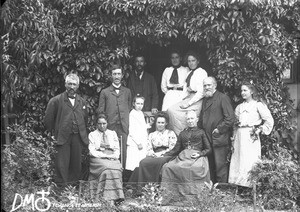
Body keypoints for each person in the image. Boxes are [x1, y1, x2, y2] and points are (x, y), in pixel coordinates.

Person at [44, 73, 89, 186]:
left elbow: (85, 119)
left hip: (77, 137)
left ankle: (73, 188)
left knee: (76, 163)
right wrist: (53, 134)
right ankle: (61, 189)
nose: (72, 87)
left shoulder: (82, 101)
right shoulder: (56, 100)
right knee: (62, 164)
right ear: (65, 84)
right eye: (69, 84)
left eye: (74, 84)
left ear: (78, 86)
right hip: (62, 137)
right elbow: (48, 120)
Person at [228, 82, 274, 188]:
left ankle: (251, 187)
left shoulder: (258, 105)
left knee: (250, 160)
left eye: (245, 90)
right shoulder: (239, 107)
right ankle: (239, 186)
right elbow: (235, 125)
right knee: (239, 160)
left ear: (251, 91)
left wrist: (260, 130)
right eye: (241, 90)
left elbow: (269, 120)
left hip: (251, 136)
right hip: (239, 136)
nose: (242, 93)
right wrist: (233, 138)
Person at [161, 110, 211, 204]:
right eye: (188, 119)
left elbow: (208, 149)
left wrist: (199, 154)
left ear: (196, 119)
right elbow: (176, 149)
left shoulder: (201, 132)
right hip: (183, 157)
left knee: (195, 168)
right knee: (168, 167)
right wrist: (164, 154)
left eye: (192, 118)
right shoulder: (182, 133)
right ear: (186, 121)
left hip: (197, 157)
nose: (190, 121)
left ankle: (194, 199)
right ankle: (172, 197)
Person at [198, 77, 235, 183]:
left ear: (215, 85)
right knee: (210, 165)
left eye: (209, 85)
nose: (206, 87)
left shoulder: (222, 98)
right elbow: (202, 117)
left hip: (218, 138)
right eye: (205, 85)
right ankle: (211, 190)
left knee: (220, 166)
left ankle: (222, 192)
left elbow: (230, 118)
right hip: (207, 138)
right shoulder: (205, 99)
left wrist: (219, 129)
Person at [128, 112, 177, 191]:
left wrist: (161, 154)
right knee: (143, 162)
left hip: (167, 155)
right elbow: (149, 148)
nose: (160, 124)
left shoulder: (170, 133)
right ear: (156, 123)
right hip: (154, 154)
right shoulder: (151, 134)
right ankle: (142, 189)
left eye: (162, 123)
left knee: (159, 162)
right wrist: (153, 154)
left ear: (166, 123)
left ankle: (155, 188)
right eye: (158, 122)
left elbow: (172, 148)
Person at [97, 64, 132, 168]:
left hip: (123, 127)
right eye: (114, 74)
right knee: (110, 150)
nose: (117, 76)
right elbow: (101, 111)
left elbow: (129, 108)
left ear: (122, 76)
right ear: (111, 76)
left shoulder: (127, 91)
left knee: (124, 152)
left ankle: (124, 177)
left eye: (119, 74)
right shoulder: (105, 92)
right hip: (111, 127)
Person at [167, 51, 208, 135]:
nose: (191, 63)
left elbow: (201, 92)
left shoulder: (201, 72)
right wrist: (181, 100)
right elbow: (185, 90)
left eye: (193, 60)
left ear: (198, 61)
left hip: (197, 100)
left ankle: (187, 136)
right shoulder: (189, 73)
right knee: (171, 110)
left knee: (189, 118)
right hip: (189, 97)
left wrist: (188, 103)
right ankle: (180, 135)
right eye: (189, 61)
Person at [88, 113, 124, 205]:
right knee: (107, 168)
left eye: (104, 123)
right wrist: (104, 156)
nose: (102, 126)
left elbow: (117, 150)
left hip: (112, 157)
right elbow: (92, 151)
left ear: (107, 123)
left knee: (116, 170)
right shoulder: (92, 134)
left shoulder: (112, 133)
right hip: (98, 158)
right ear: (96, 124)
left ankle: (114, 198)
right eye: (100, 123)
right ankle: (107, 199)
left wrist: (113, 156)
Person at [125, 95, 151, 171]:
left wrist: (149, 125)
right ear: (133, 104)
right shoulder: (132, 114)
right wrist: (138, 143)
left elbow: (141, 127)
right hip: (135, 142)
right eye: (138, 103)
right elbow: (132, 130)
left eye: (141, 104)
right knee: (134, 163)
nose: (140, 106)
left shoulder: (140, 113)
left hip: (142, 140)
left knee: (140, 162)